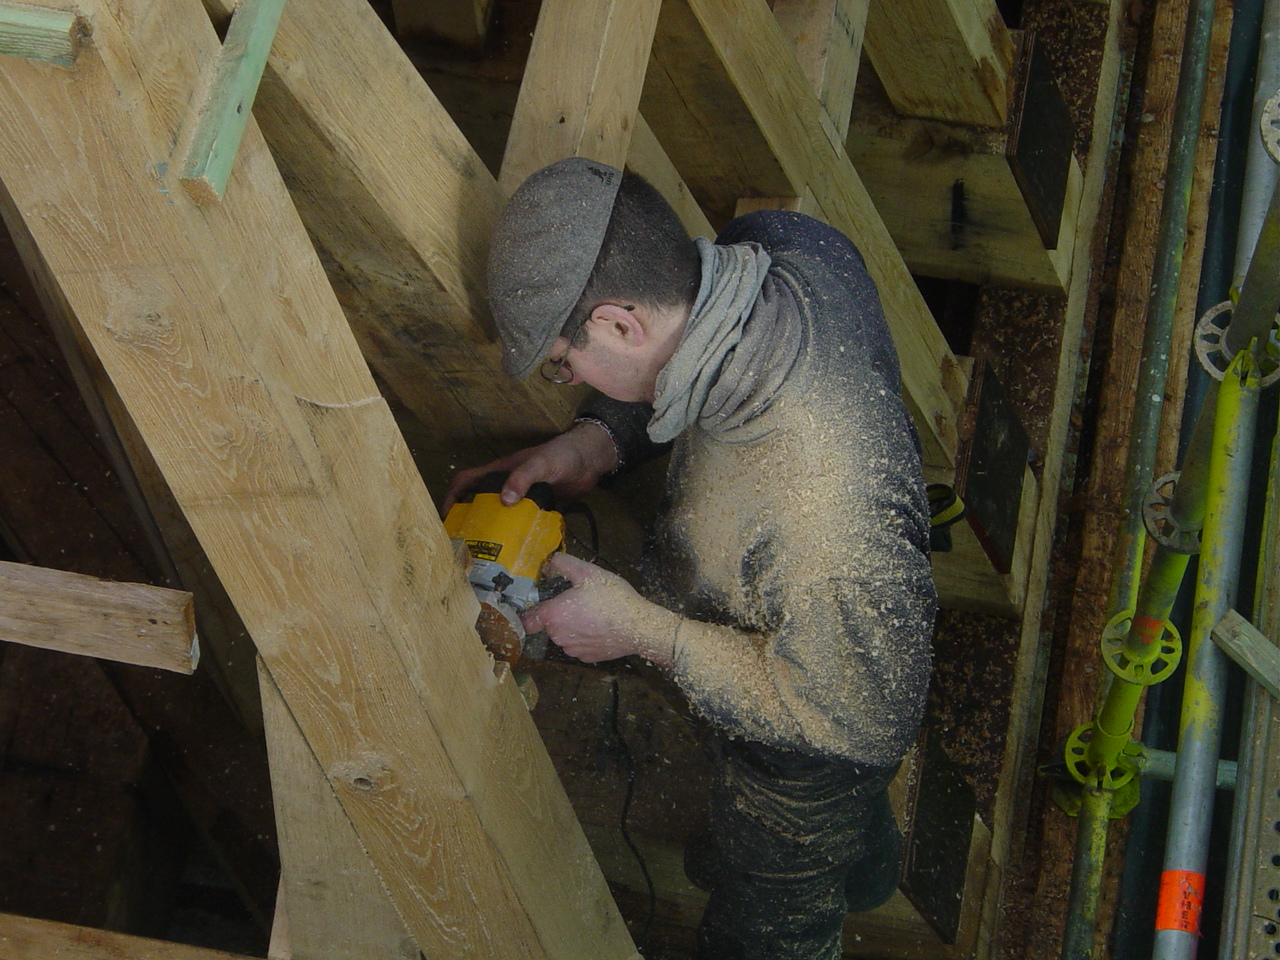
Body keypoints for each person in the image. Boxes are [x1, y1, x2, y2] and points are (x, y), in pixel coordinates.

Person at [446, 157, 936, 960]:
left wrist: (646, 633)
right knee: (831, 845)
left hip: (807, 760)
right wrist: (596, 439)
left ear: (619, 324)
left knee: (770, 921)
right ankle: (870, 872)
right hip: (816, 637)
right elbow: (686, 353)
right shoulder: (783, 249)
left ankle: (815, 883)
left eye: (566, 364)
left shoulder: (824, 520)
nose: (569, 377)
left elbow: (861, 720)